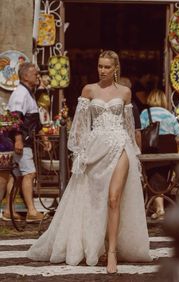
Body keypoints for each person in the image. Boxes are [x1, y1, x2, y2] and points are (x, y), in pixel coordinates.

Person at [27, 50, 152, 273]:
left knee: (114, 198)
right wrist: (79, 154)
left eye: (107, 67)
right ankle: (96, 243)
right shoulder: (89, 90)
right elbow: (80, 126)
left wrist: (135, 153)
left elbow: (129, 125)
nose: (102, 70)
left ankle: (112, 251)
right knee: (95, 200)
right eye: (100, 66)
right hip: (96, 148)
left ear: (115, 69)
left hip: (121, 145)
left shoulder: (125, 92)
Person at [1, 63, 51, 223]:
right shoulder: (20, 94)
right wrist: (18, 140)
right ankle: (31, 210)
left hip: (24, 140)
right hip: (21, 141)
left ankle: (9, 210)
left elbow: (35, 122)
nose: (38, 76)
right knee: (29, 174)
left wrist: (44, 139)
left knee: (16, 176)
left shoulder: (29, 93)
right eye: (35, 74)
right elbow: (15, 118)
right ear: (25, 76)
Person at [140, 89, 179, 219]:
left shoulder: (145, 114)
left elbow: (139, 132)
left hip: (153, 148)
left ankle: (160, 209)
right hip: (168, 148)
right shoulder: (169, 114)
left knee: (153, 176)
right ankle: (159, 208)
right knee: (162, 176)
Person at [119, 76, 141, 149]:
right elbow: (137, 132)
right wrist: (139, 149)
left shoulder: (131, 106)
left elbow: (137, 132)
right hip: (128, 145)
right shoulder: (132, 106)